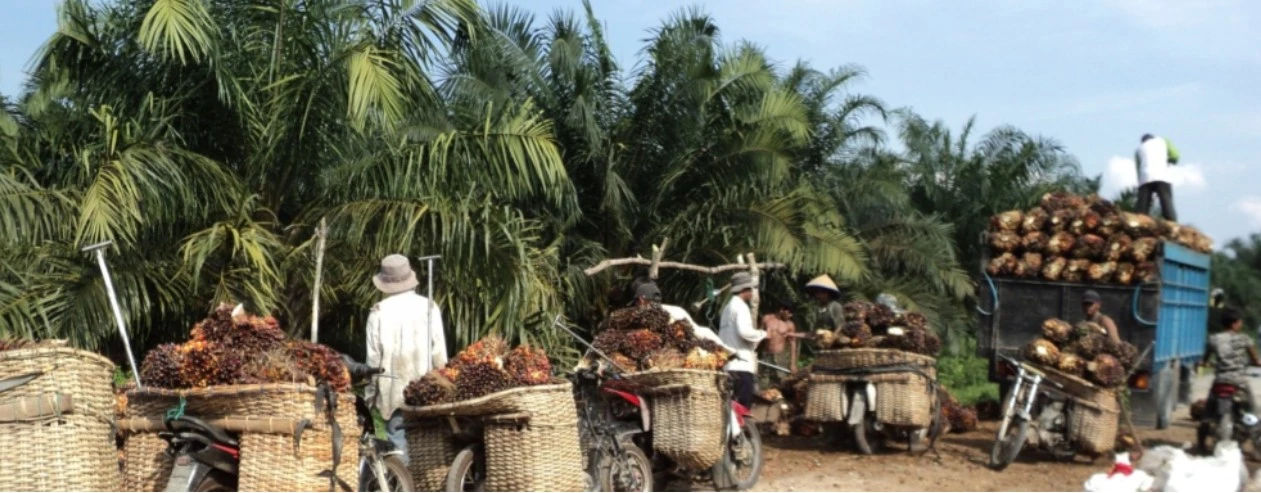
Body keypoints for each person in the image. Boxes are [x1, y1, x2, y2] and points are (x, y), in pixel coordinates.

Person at [365, 254, 448, 465]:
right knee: (429, 449)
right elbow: (439, 354)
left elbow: (374, 361)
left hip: (394, 393)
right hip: (426, 391)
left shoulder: (378, 313)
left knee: (399, 450)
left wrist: (370, 396)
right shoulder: (429, 306)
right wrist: (444, 386)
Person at [628, 278, 728, 348]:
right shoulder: (676, 310)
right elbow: (699, 331)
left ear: (641, 300)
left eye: (636, 303)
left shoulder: (645, 317)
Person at [719, 272, 765, 408]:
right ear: (744, 290)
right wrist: (763, 334)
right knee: (742, 407)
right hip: (741, 366)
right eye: (750, 289)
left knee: (730, 408)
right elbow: (744, 332)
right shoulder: (741, 307)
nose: (751, 292)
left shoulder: (727, 308)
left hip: (728, 366)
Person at [1199, 309, 1260, 412]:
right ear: (1234, 324)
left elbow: (1205, 359)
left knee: (1208, 410)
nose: (1241, 324)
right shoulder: (1244, 339)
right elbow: (1255, 359)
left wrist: (1204, 363)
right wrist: (1257, 363)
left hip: (1220, 380)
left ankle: (1206, 423)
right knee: (1253, 409)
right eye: (1240, 322)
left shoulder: (1214, 339)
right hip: (1239, 381)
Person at [1134, 133, 1181, 221]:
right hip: (1162, 176)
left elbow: (1138, 169)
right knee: (1167, 204)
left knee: (1142, 210)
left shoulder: (1138, 150)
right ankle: (1172, 223)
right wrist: (1169, 160)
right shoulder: (1164, 141)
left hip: (1145, 178)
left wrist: (1141, 184)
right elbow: (1175, 156)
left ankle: (1140, 223)